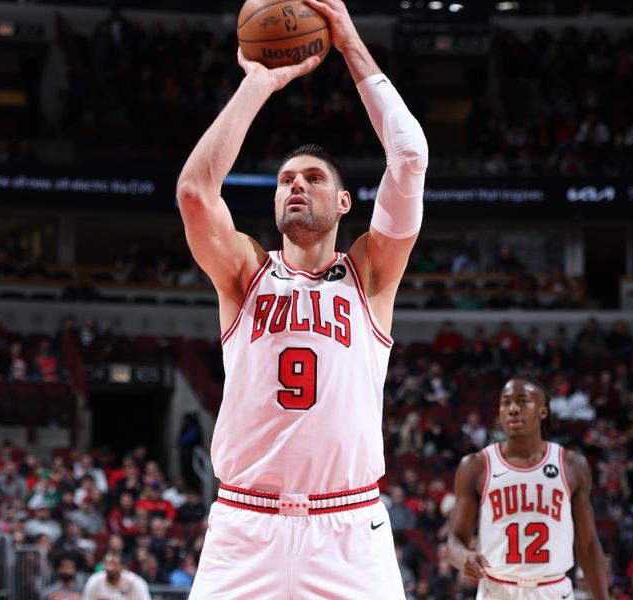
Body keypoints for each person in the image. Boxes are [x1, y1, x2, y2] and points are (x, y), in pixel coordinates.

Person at [175, 0, 427, 596]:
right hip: (246, 525)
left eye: (314, 178)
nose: (297, 185)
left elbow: (411, 157)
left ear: (343, 204)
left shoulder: (371, 274)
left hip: (348, 527)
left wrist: (350, 45)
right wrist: (257, 83)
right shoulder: (245, 274)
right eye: (288, 179)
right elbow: (194, 192)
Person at [446, 376, 609, 599]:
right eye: (506, 403)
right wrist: (463, 556)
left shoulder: (571, 465)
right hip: (497, 589)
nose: (513, 409)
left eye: (522, 401)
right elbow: (454, 539)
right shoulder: (476, 466)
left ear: (543, 412)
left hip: (552, 589)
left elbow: (588, 545)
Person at [82, 551, 151, 600]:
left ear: (122, 567)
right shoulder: (94, 581)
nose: (110, 568)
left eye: (114, 564)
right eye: (107, 563)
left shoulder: (135, 583)